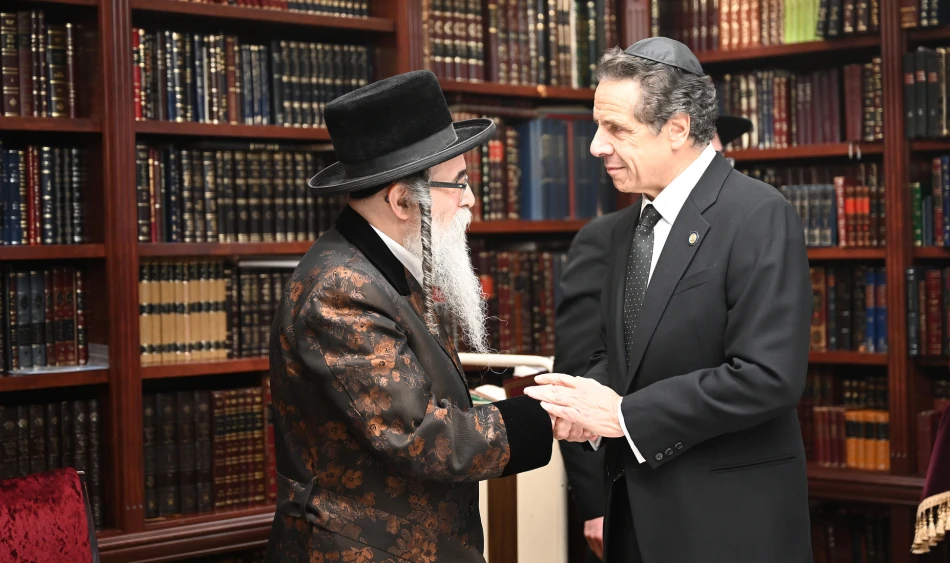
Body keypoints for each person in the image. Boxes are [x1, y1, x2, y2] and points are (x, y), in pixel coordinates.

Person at [264, 70, 592, 563]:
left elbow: (412, 376)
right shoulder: (341, 289)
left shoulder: (379, 264)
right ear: (401, 199)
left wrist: (525, 385)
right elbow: (418, 436)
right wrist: (547, 418)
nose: (470, 200)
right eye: (458, 184)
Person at [526, 37, 813, 563]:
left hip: (727, 527)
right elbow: (623, 356)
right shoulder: (626, 226)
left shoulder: (757, 214)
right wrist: (584, 409)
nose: (595, 146)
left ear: (678, 128)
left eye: (616, 129)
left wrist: (625, 417)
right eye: (598, 125)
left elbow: (768, 376)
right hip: (634, 519)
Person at [553, 110, 753, 562]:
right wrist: (595, 505)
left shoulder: (747, 224)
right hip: (631, 492)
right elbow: (587, 369)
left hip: (719, 487)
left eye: (719, 154)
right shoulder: (612, 238)